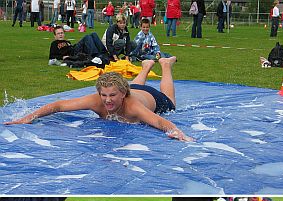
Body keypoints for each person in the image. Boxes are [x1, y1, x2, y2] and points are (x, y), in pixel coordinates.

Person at [5, 57, 192, 142]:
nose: (107, 101)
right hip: (133, 88)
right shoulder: (98, 100)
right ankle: (145, 67)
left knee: (171, 103)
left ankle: (165, 64)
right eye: (104, 95)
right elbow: (59, 105)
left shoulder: (133, 107)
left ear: (122, 94)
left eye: (112, 96)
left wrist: (178, 133)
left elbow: (160, 121)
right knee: (134, 86)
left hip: (153, 98)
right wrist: (28, 117)